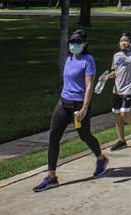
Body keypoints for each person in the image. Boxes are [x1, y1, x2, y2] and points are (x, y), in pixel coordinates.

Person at [33, 29, 108, 192]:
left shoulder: (88, 60)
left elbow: (89, 86)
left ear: (85, 43)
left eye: (78, 42)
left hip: (79, 106)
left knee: (85, 135)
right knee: (53, 137)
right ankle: (51, 177)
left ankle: (101, 158)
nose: (74, 45)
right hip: (64, 103)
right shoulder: (68, 58)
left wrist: (84, 108)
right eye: (72, 42)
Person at [100, 31, 131, 150]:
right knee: (117, 115)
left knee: (124, 113)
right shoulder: (116, 56)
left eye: (126, 40)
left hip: (129, 88)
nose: (123, 43)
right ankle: (121, 140)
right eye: (121, 41)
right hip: (117, 90)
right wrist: (106, 77)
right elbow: (115, 72)